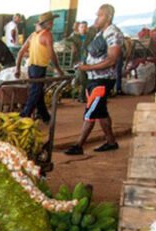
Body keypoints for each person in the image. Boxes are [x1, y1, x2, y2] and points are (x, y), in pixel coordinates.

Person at [64, 4, 124, 155]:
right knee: (101, 111)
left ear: (108, 16)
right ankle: (111, 141)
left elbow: (111, 60)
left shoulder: (113, 34)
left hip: (102, 79)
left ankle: (79, 144)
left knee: (90, 111)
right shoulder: (99, 33)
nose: (96, 19)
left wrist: (87, 68)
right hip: (94, 78)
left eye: (100, 16)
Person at [15, 12, 64, 123]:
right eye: (51, 22)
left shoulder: (33, 35)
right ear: (47, 23)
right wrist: (59, 69)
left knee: (38, 92)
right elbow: (52, 54)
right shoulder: (47, 35)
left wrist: (18, 68)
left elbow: (21, 52)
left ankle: (45, 116)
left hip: (31, 68)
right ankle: (24, 115)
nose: (52, 24)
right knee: (35, 93)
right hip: (39, 68)